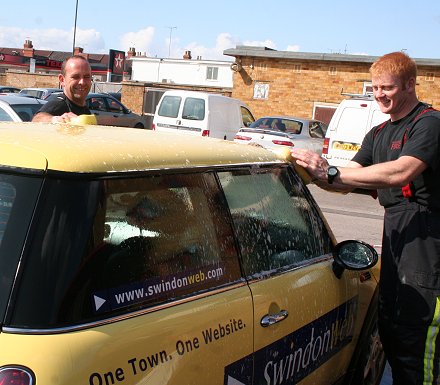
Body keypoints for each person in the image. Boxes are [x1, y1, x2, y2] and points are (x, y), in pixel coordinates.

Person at [292, 51, 440, 385]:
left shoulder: (429, 124)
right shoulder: (378, 133)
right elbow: (346, 179)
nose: (379, 95)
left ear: (409, 85)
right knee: (390, 329)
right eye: (374, 88)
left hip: (429, 241)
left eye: (387, 87)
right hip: (397, 237)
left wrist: (329, 171)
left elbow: (401, 171)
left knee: (419, 341)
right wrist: (310, 172)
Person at [32, 55, 92, 123]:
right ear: (62, 80)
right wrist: (57, 119)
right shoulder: (59, 104)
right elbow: (37, 119)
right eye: (76, 77)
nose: (82, 82)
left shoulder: (84, 109)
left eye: (86, 77)